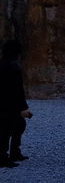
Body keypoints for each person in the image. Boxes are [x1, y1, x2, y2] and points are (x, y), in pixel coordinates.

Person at [0, 40, 32, 168]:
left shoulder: (2, 64)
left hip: (4, 104)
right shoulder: (13, 67)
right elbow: (18, 90)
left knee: (17, 125)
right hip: (9, 105)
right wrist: (23, 108)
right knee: (7, 130)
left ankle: (13, 153)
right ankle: (3, 157)